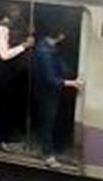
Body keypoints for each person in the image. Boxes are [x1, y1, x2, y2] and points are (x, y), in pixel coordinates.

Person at [31, 29, 83, 162]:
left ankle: (51, 148)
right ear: (59, 35)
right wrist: (71, 83)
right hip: (47, 93)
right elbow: (50, 79)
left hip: (47, 92)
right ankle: (47, 154)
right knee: (47, 123)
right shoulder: (45, 53)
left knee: (49, 122)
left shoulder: (48, 48)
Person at [0, 3, 33, 152]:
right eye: (14, 11)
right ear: (7, 13)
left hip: (11, 69)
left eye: (18, 11)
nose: (17, 14)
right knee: (2, 105)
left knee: (10, 104)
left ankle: (7, 135)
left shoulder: (14, 25)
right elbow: (4, 54)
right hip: (2, 68)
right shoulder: (1, 28)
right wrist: (24, 46)